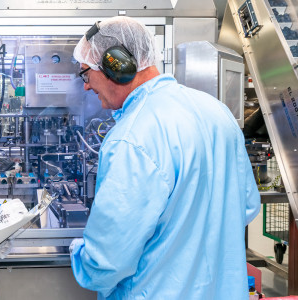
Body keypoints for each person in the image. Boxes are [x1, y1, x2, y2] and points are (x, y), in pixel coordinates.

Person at [69, 16, 260, 299]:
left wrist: (78, 252)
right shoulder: (217, 112)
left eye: (86, 73)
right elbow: (246, 207)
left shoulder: (131, 138)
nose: (86, 85)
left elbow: (106, 263)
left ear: (116, 65)